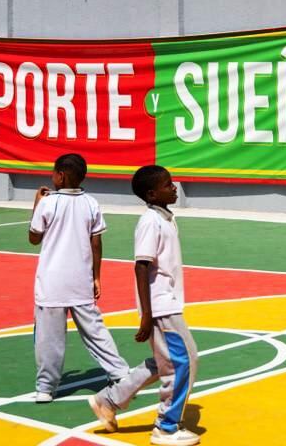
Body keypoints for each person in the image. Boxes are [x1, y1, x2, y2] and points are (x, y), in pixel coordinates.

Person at [88, 166, 201, 446]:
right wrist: (147, 314)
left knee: (162, 363)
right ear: (152, 193)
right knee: (184, 362)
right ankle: (165, 427)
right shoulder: (151, 221)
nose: (174, 187)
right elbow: (141, 266)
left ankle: (109, 400)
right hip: (161, 307)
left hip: (166, 304)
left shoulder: (165, 217)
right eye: (168, 185)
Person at [28, 153, 131, 403]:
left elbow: (34, 238)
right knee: (95, 331)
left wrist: (36, 204)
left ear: (60, 176)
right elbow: (96, 242)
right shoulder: (91, 203)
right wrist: (97, 276)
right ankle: (120, 373)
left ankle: (46, 387)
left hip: (51, 283)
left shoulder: (47, 203)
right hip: (80, 280)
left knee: (49, 338)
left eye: (54, 172)